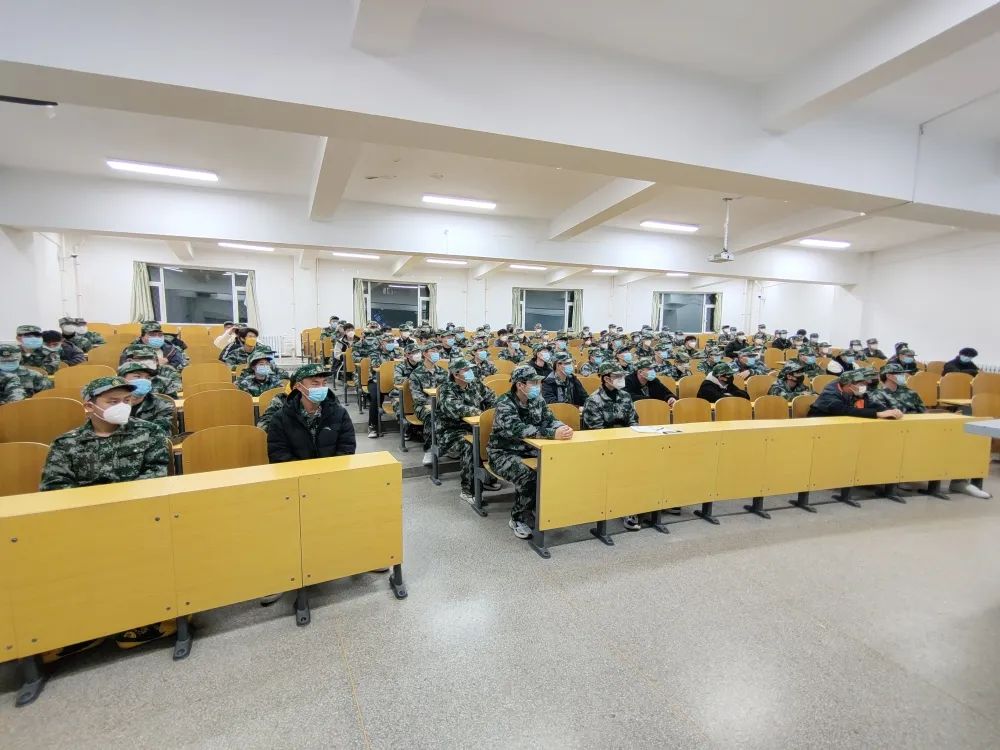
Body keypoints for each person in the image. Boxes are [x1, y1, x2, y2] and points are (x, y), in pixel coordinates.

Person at [40, 375, 173, 652]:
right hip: (85, 522)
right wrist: (95, 512)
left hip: (139, 515)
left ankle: (144, 618)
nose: (122, 406)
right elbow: (55, 488)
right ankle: (87, 624)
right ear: (89, 406)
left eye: (126, 400)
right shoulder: (66, 443)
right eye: (112, 401)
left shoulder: (149, 433)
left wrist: (120, 506)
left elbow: (157, 473)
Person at [488, 365, 571, 539]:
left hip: (531, 449)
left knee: (559, 465)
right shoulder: (505, 403)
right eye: (533, 383)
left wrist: (562, 428)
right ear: (520, 385)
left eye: (538, 383)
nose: (538, 386)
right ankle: (518, 518)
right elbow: (518, 430)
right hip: (503, 453)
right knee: (528, 475)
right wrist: (552, 434)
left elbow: (550, 419)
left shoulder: (537, 399)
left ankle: (546, 510)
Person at [436, 358, 498, 504]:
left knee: (495, 438)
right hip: (451, 431)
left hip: (475, 427)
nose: (470, 372)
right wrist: (481, 413)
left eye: (470, 369)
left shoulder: (475, 384)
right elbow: (455, 408)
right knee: (470, 445)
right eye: (466, 370)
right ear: (456, 374)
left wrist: (494, 411)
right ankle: (468, 490)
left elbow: (492, 398)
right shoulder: (446, 389)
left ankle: (486, 478)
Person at [266, 364, 355, 462]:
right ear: (299, 387)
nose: (321, 388)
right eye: (315, 384)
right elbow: (278, 453)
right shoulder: (281, 418)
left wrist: (330, 468)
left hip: (332, 469)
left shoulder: (339, 413)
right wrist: (306, 470)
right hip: (297, 471)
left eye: (324, 383)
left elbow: (347, 447)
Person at [409, 343, 450, 466]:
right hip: (422, 406)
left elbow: (449, 391)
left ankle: (449, 445)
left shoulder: (443, 372)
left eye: (437, 350)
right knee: (431, 415)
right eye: (433, 350)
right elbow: (417, 397)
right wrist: (432, 405)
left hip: (440, 404)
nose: (436, 353)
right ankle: (429, 450)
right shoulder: (416, 374)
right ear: (425, 354)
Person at [808, 369, 902, 419]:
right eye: (862, 384)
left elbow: (871, 404)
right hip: (820, 425)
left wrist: (889, 411)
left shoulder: (855, 392)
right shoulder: (829, 394)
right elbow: (844, 410)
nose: (865, 387)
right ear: (849, 385)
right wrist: (877, 414)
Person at [118, 362, 176, 436]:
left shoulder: (161, 405)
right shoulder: (110, 404)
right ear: (121, 379)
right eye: (137, 376)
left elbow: (159, 433)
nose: (144, 381)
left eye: (148, 378)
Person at [364, 334, 402, 438]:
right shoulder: (375, 353)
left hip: (393, 381)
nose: (390, 344)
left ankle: (408, 427)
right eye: (387, 342)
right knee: (375, 398)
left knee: (405, 394)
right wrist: (392, 363)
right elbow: (376, 365)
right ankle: (373, 426)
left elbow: (402, 363)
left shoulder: (396, 351)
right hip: (376, 380)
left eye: (392, 341)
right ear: (381, 342)